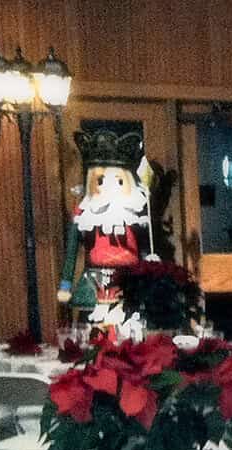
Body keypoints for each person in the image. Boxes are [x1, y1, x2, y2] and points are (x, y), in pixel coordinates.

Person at [57, 129, 152, 330]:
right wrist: (65, 284)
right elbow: (71, 252)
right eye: (100, 181)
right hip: (93, 283)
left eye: (118, 181)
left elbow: (144, 247)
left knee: (130, 331)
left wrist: (151, 267)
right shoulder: (83, 215)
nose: (109, 188)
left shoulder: (136, 215)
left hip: (130, 282)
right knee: (92, 332)